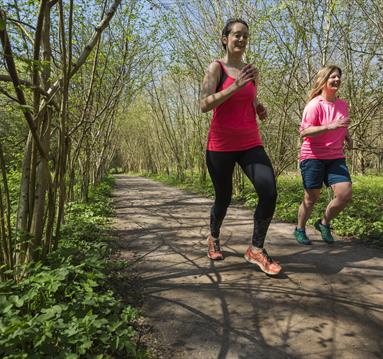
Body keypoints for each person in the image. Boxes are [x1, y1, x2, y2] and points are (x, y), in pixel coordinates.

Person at [200, 18, 281, 275]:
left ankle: (256, 249)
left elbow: (251, 96)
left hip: (249, 142)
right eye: (236, 35)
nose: (242, 39)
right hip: (220, 145)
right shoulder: (216, 68)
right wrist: (234, 87)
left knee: (268, 191)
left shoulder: (251, 71)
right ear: (225, 38)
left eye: (245, 35)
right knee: (224, 197)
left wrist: (258, 107)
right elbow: (204, 104)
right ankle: (213, 236)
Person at [294, 65, 353, 245]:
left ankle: (324, 223)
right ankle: (300, 228)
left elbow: (342, 125)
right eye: (332, 77)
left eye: (338, 77)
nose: (336, 80)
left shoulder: (343, 104)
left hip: (335, 156)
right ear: (324, 81)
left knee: (345, 193)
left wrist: (348, 138)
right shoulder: (314, 105)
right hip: (313, 155)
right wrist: (330, 126)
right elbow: (304, 132)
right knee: (311, 197)